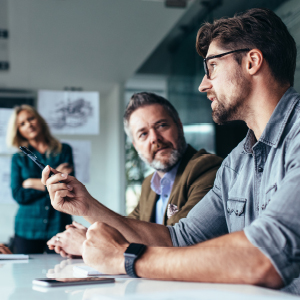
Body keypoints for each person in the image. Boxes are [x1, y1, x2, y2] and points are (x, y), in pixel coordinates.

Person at [42, 7, 299, 288]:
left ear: (252, 62)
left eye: (212, 66)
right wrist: (87, 205)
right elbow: (178, 239)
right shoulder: (236, 164)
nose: (203, 85)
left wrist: (127, 259)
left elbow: (266, 255)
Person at [47, 92, 223, 257]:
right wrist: (88, 234)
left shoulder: (206, 168)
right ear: (135, 145)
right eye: (143, 134)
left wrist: (87, 244)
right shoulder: (150, 184)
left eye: (161, 125)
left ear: (179, 126)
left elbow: (177, 244)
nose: (154, 138)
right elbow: (128, 230)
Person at [7, 105, 74, 254]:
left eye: (31, 118)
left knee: (61, 271)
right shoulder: (18, 158)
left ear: (39, 120)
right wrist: (52, 183)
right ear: (18, 131)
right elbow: (18, 194)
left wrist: (31, 183)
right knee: (24, 275)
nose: (29, 124)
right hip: (27, 228)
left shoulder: (64, 150)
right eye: (22, 123)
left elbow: (67, 186)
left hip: (59, 224)